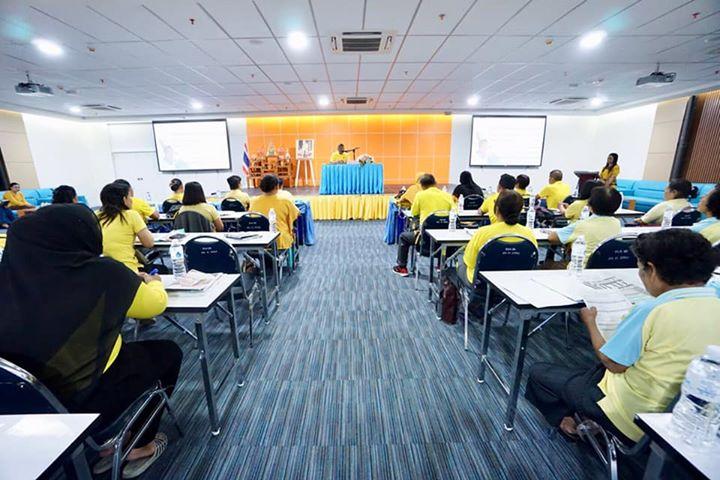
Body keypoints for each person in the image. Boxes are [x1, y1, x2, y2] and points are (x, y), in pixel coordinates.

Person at [0, 204, 182, 478]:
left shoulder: (8, 278)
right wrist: (153, 281)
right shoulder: (104, 273)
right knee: (167, 353)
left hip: (17, 413)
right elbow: (153, 306)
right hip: (81, 405)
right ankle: (141, 444)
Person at [526, 229, 720, 443]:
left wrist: (590, 323)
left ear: (652, 270)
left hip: (634, 418)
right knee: (592, 372)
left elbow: (613, 364)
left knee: (539, 373)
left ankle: (573, 427)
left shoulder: (651, 310)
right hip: (689, 419)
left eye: (640, 269)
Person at [461, 191, 537, 284]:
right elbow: (532, 263)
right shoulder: (529, 235)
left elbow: (470, 262)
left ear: (496, 210)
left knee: (461, 263)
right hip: (517, 283)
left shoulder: (483, 233)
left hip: (483, 284)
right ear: (520, 211)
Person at [392, 174, 454, 277]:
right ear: (435, 183)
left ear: (421, 185)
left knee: (403, 237)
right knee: (441, 226)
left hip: (425, 242)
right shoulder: (447, 195)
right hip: (444, 241)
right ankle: (441, 264)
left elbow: (414, 213)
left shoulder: (420, 195)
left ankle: (402, 267)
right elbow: (455, 213)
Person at [548, 186, 623, 267]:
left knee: (548, 265)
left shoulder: (581, 225)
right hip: (607, 268)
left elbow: (552, 238)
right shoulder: (617, 223)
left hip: (582, 269)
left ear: (590, 206)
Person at [98, 182, 155, 272]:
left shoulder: (96, 216)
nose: (132, 200)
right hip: (128, 269)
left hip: (102, 269)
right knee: (162, 270)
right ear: (124, 199)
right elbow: (149, 243)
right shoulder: (131, 215)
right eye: (130, 197)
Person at [249, 175, 299, 250]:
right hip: (279, 240)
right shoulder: (285, 201)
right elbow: (296, 215)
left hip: (259, 240)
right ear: (277, 186)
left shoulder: (254, 201)